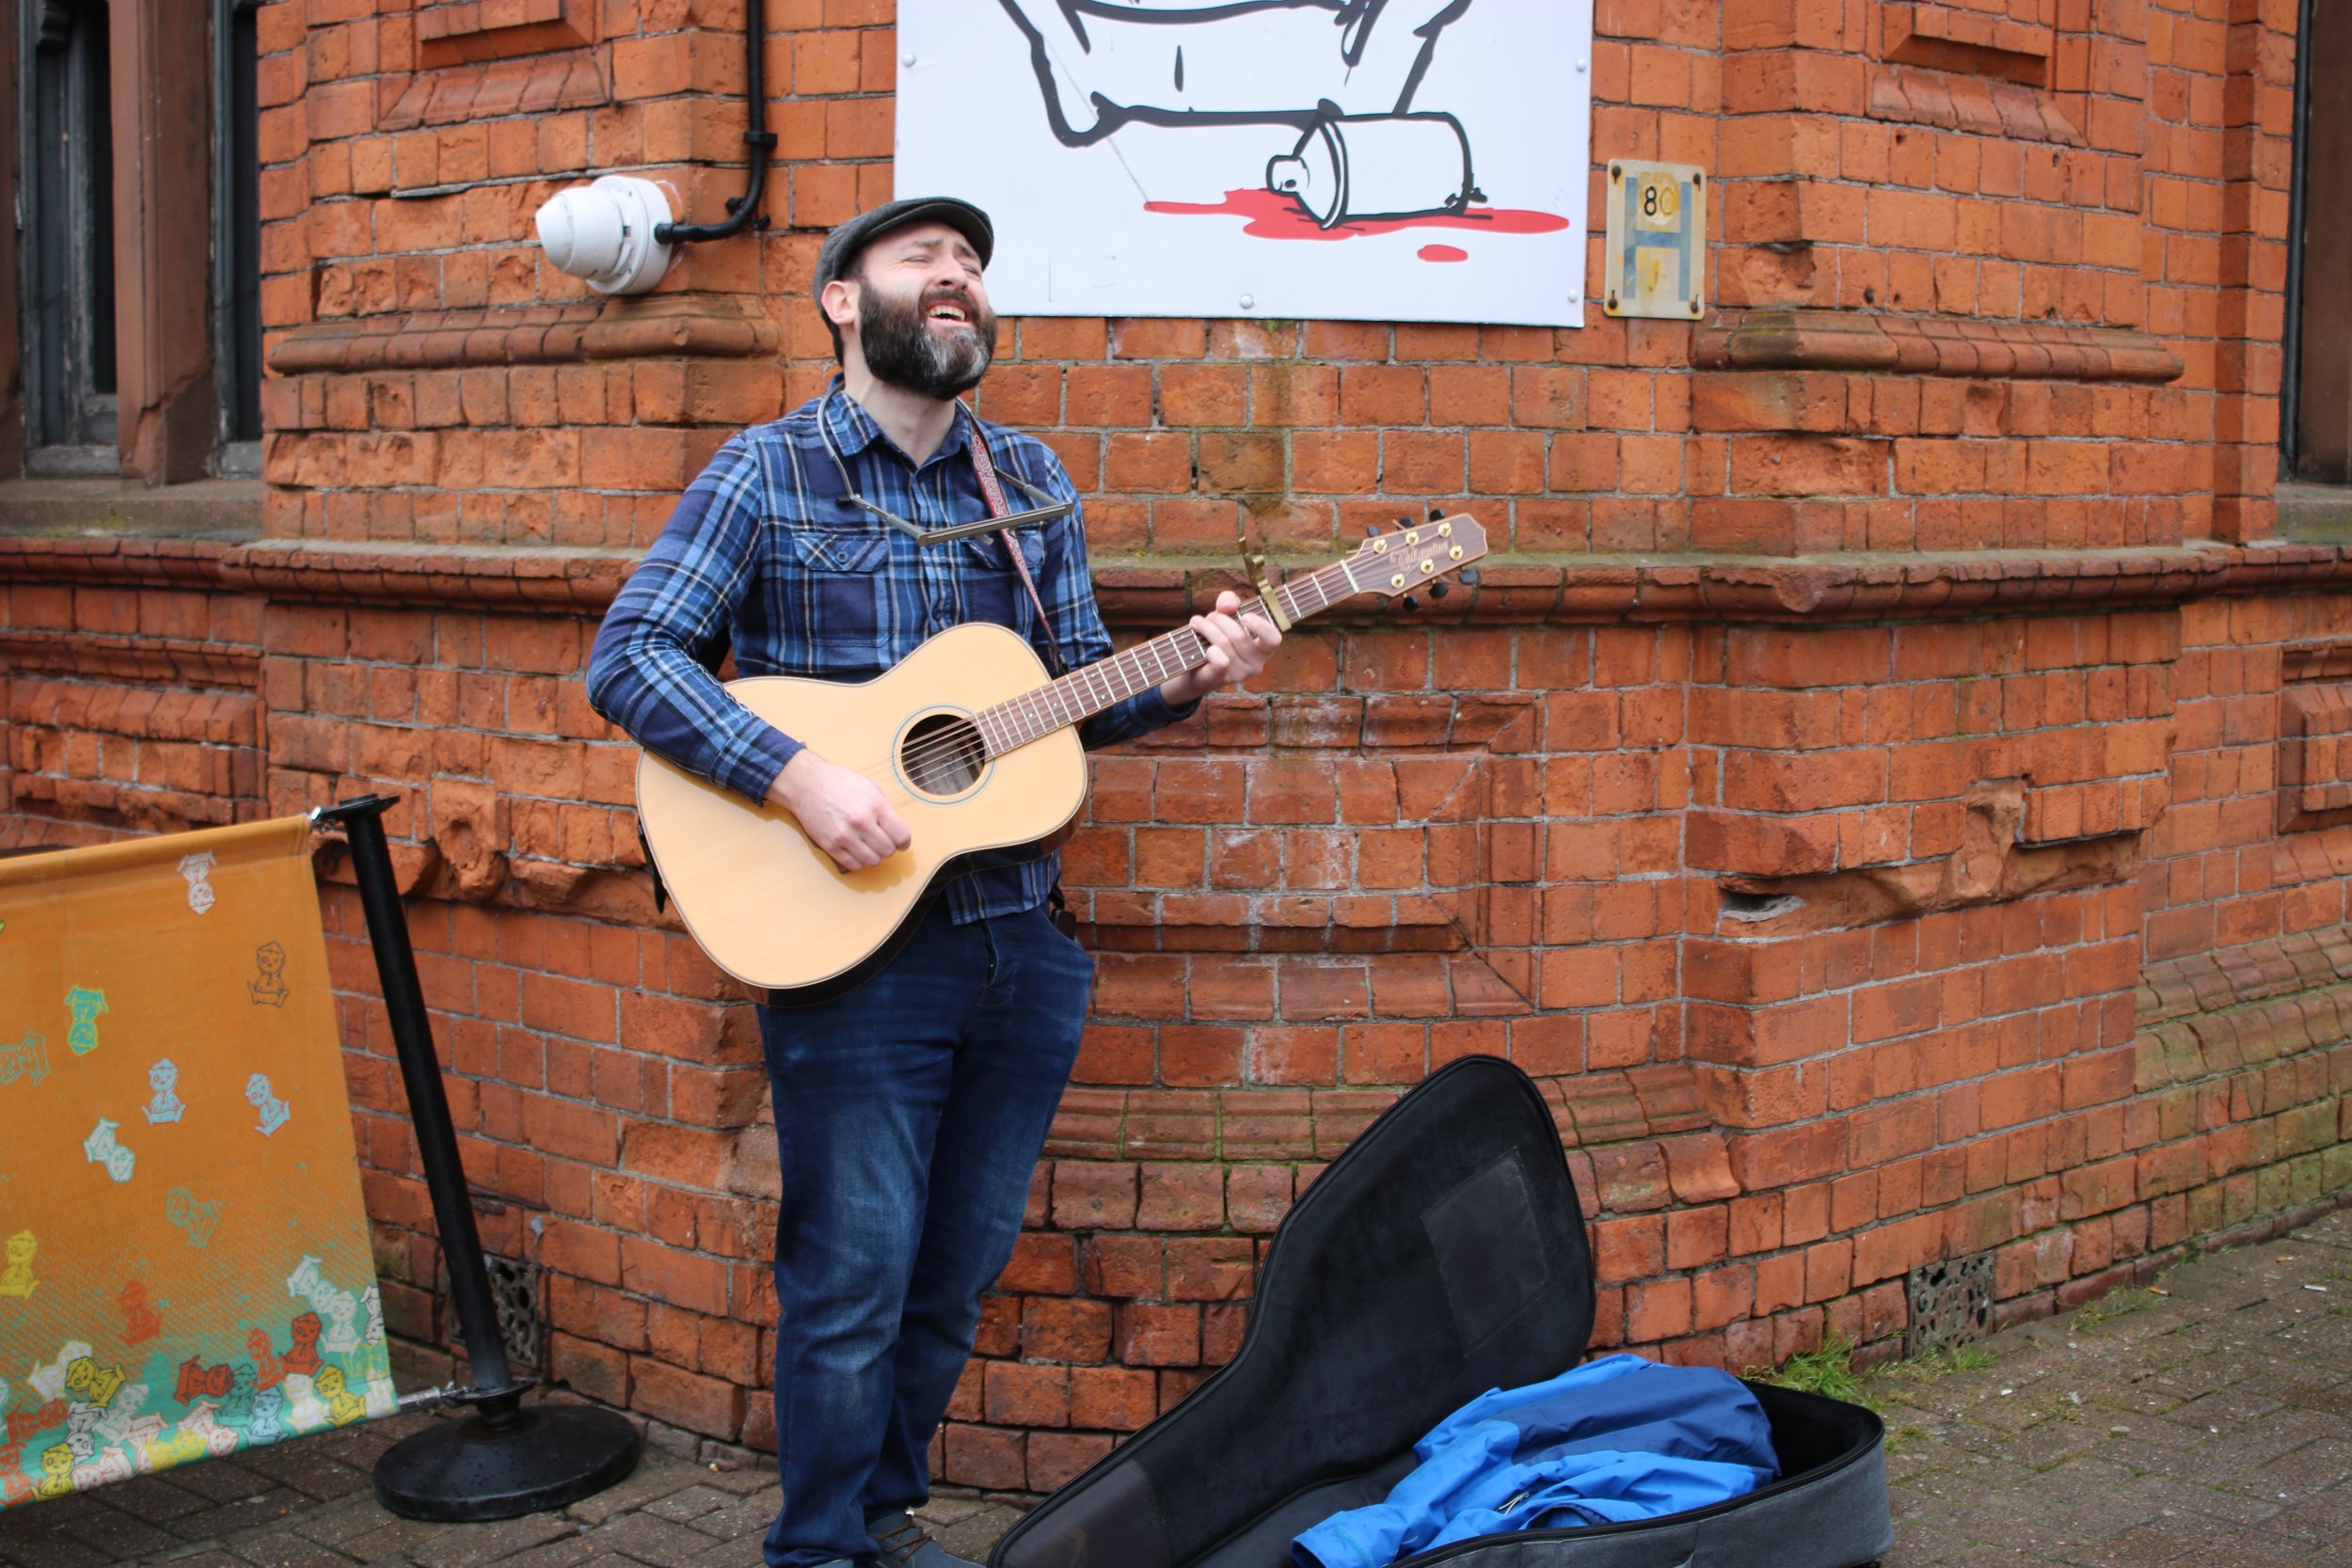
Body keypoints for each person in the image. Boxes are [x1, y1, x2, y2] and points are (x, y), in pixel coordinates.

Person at [585, 197, 1279, 1568]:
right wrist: (793, 775)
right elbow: (632, 656)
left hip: (1020, 940)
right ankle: (819, 1553)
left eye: (972, 263)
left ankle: (885, 1526)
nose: (957, 275)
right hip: (855, 957)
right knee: (851, 1283)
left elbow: (1071, 697)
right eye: (923, 259)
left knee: (951, 1280)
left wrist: (1188, 675)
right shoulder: (766, 473)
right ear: (845, 301)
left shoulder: (1026, 483)